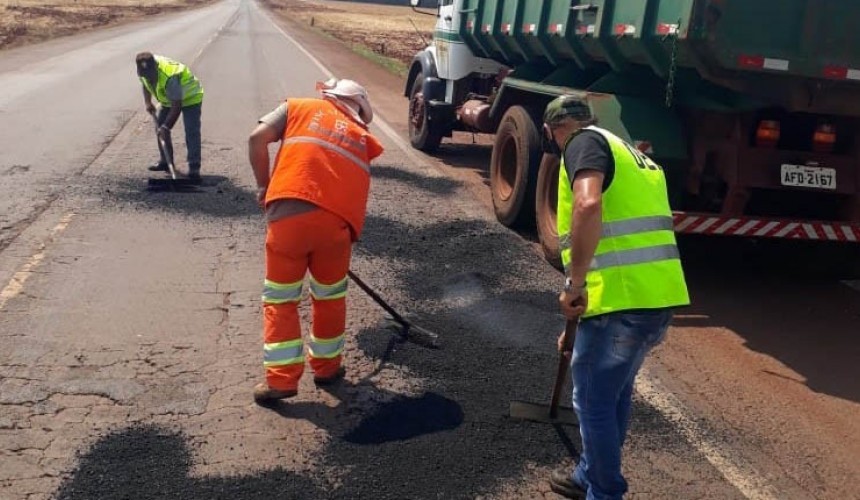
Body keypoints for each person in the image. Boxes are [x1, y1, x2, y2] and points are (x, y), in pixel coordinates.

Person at [542, 95, 690, 499]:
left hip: (621, 303)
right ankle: (588, 476)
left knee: (592, 402)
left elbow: (588, 203)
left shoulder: (580, 144)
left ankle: (604, 491)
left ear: (553, 131)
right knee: (614, 393)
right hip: (654, 298)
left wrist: (573, 285)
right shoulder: (631, 153)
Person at [247, 78, 384, 403]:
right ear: (358, 112)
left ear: (328, 95)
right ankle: (326, 369)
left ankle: (281, 381)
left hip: (289, 220)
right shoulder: (362, 137)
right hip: (337, 228)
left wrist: (263, 186)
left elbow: (256, 138)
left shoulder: (298, 107)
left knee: (281, 300)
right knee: (330, 298)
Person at [135, 52, 204, 183]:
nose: (149, 78)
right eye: (145, 75)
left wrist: (166, 127)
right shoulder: (143, 70)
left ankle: (194, 168)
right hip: (168, 99)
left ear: (155, 67)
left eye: (151, 75)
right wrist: (148, 102)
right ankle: (166, 162)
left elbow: (176, 106)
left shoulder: (169, 76)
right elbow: (145, 84)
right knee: (159, 127)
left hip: (191, 97)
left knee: (191, 131)